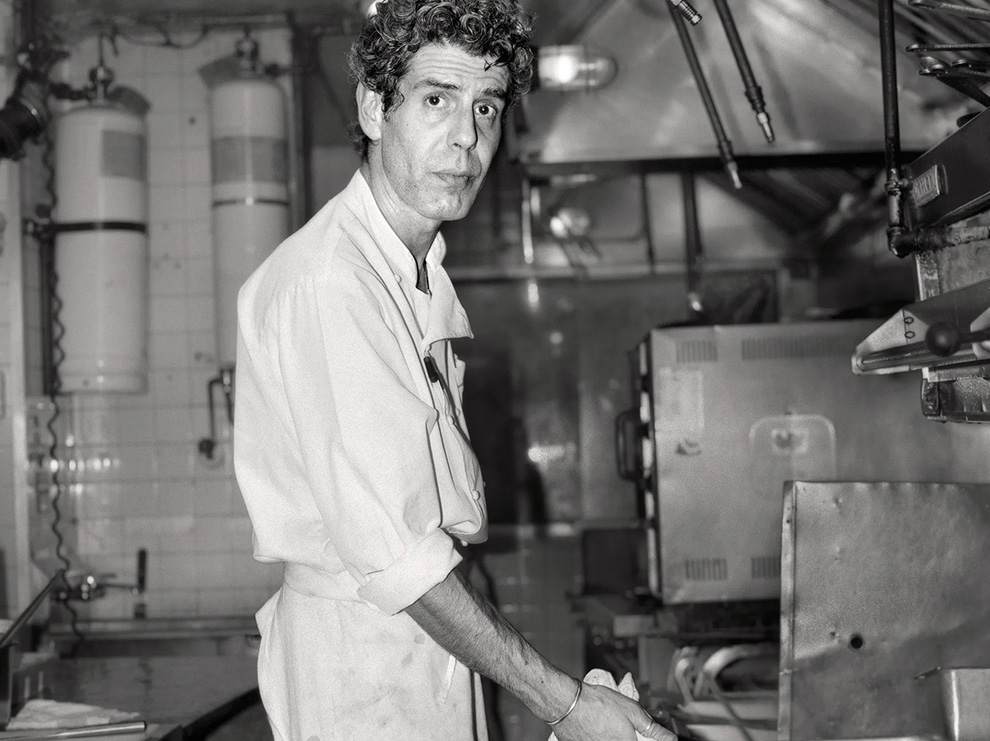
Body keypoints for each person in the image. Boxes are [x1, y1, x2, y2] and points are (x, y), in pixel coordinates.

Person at [233, 1, 678, 739]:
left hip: (404, 651)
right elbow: (402, 559)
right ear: (376, 108)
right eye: (436, 99)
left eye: (487, 106)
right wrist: (567, 705)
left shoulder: (412, 269)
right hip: (364, 667)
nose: (467, 137)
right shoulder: (334, 283)